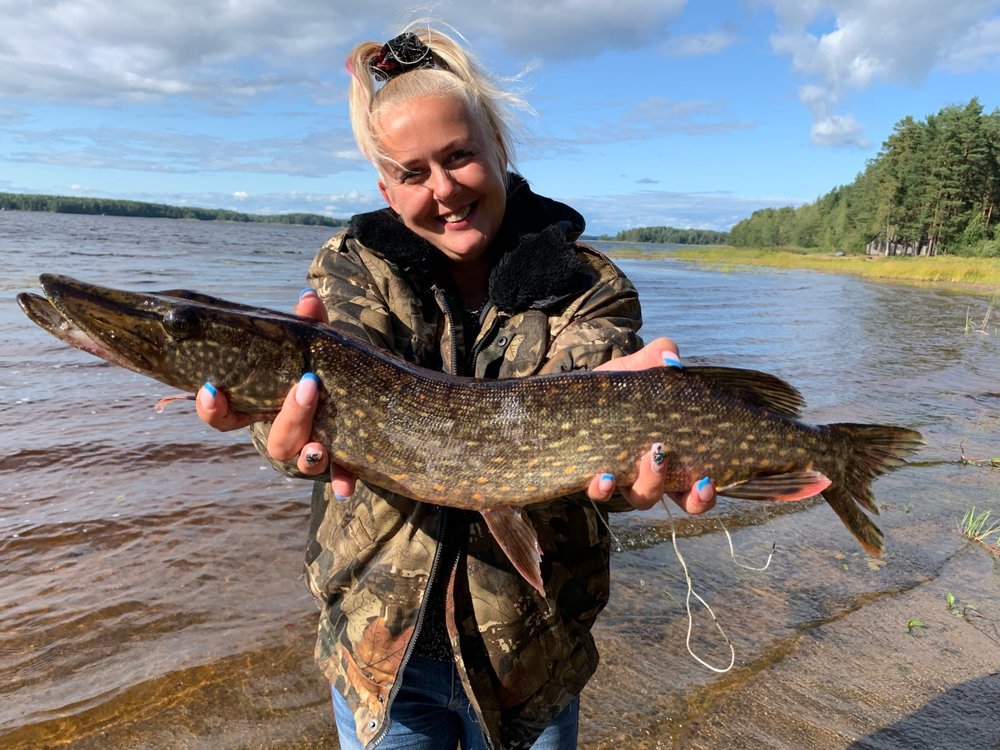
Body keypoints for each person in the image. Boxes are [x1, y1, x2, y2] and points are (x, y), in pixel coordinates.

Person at [196, 21, 716, 750]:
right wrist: (275, 434)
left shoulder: (588, 287)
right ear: (386, 189)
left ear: (498, 147)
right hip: (381, 655)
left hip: (532, 655)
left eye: (459, 156)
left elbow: (590, 441)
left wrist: (637, 459)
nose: (442, 189)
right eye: (412, 173)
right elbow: (314, 410)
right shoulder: (351, 270)